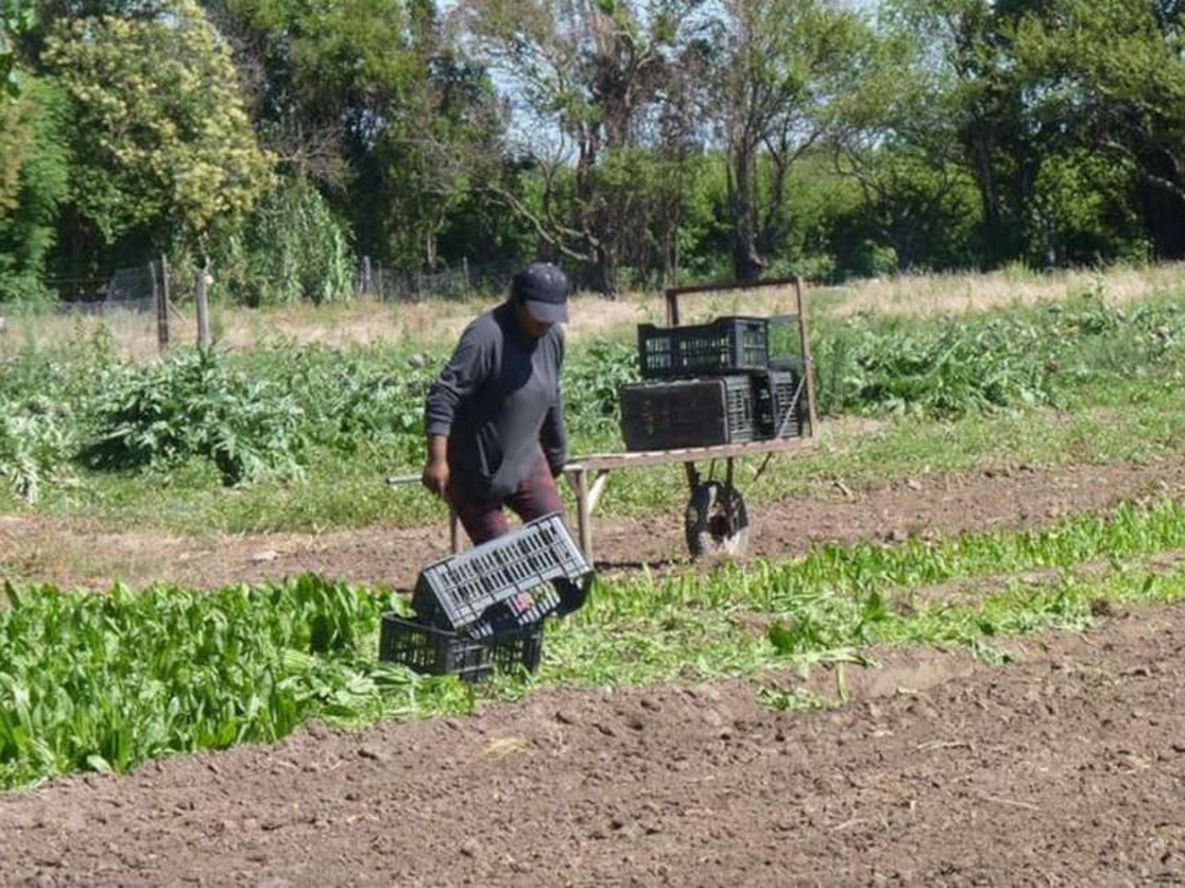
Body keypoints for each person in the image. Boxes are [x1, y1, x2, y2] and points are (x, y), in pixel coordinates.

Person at [422, 261, 570, 546]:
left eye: (552, 315)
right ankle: (515, 593)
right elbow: (443, 395)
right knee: (504, 565)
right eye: (538, 314)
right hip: (475, 471)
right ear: (518, 302)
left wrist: (557, 452)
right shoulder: (486, 336)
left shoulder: (552, 338)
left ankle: (570, 592)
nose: (545, 322)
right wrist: (437, 459)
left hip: (525, 458)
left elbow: (551, 395)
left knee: (560, 548)